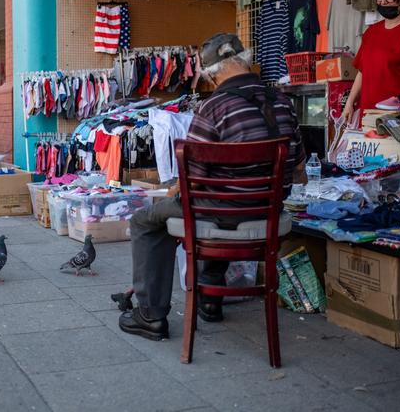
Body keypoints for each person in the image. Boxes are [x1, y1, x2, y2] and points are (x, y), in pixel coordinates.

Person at [118, 33, 306, 341]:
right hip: (269, 213)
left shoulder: (214, 107)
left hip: (221, 212)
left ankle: (150, 315)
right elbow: (298, 167)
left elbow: (191, 178)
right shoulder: (283, 102)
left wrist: (172, 193)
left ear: (212, 73)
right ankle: (210, 297)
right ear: (245, 60)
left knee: (146, 221)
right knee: (220, 205)